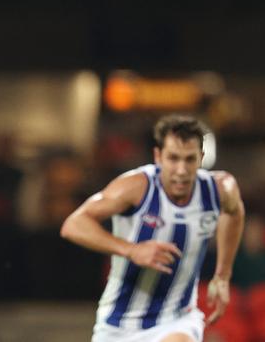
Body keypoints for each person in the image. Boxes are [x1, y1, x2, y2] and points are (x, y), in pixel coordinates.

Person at [61, 115, 245, 342]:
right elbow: (74, 224)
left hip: (177, 319)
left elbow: (235, 212)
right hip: (118, 324)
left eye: (190, 159)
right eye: (173, 158)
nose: (181, 170)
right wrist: (131, 250)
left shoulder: (219, 189)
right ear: (158, 156)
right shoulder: (135, 187)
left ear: (201, 158)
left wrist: (223, 274)